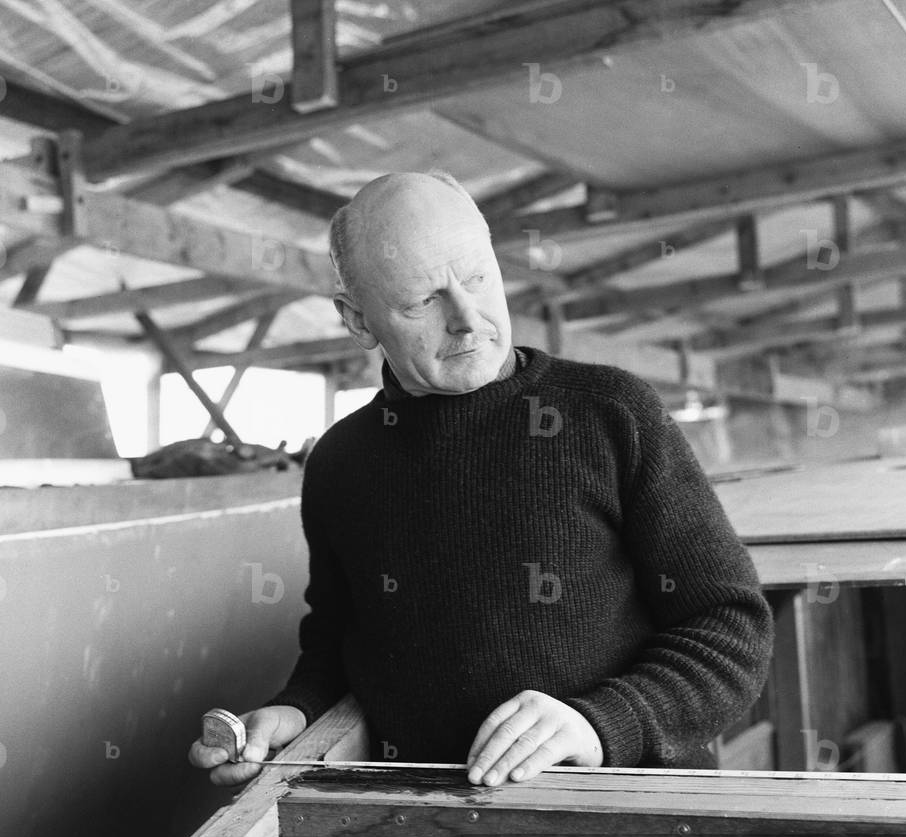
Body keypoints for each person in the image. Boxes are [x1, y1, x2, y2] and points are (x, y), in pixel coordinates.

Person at [189, 170, 774, 789]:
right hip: (433, 830)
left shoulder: (611, 413)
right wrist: (295, 710)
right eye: (423, 300)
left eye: (476, 278)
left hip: (636, 820)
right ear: (359, 323)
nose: (467, 318)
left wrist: (601, 724)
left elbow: (731, 628)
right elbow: (337, 642)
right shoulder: (341, 463)